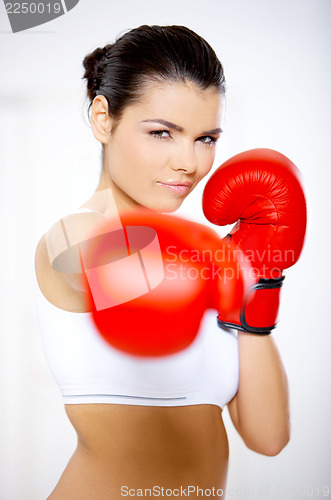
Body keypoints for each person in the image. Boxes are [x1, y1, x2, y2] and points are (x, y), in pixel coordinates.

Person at [34, 25, 305, 499]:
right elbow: (103, 266)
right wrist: (227, 268)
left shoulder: (206, 261)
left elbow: (268, 437)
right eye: (163, 133)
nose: (189, 162)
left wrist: (262, 277)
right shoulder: (71, 237)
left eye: (206, 138)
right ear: (103, 119)